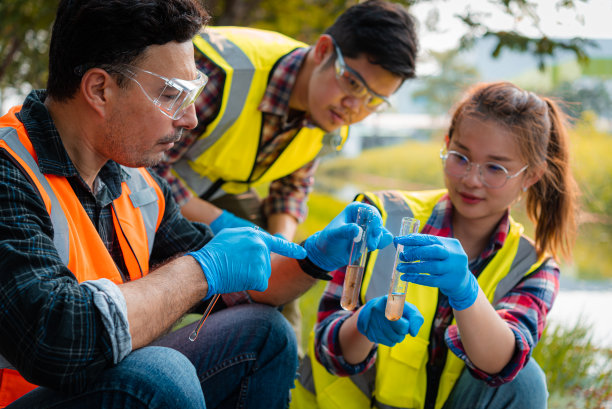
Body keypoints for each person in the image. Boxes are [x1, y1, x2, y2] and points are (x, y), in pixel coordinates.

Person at [0, 1, 393, 408]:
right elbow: (55, 341)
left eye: (193, 92)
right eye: (172, 94)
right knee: (158, 375)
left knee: (265, 333)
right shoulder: (8, 171)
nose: (188, 118)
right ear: (100, 89)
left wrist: (314, 257)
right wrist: (200, 271)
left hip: (102, 380)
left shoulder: (138, 181)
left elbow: (250, 288)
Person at [292, 81, 579, 409]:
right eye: (461, 157)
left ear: (531, 176)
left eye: (495, 168)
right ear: (446, 145)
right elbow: (329, 351)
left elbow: (502, 366)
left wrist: (465, 291)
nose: (471, 179)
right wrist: (362, 325)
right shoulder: (380, 215)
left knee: (527, 381)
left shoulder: (533, 265)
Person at [151, 0, 418, 349]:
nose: (356, 109)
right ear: (323, 51)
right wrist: (227, 223)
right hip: (143, 184)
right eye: (353, 84)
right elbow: (145, 165)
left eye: (374, 101)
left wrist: (288, 256)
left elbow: (292, 187)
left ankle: (265, 366)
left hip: (211, 195)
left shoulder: (331, 113)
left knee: (283, 289)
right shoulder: (224, 72)